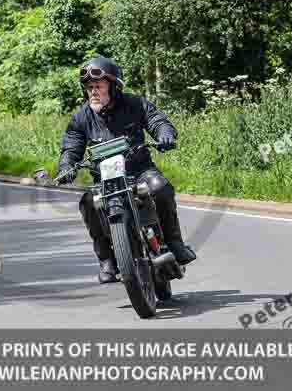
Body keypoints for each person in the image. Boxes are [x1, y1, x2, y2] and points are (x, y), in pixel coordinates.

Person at [56, 56, 197, 284]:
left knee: (160, 188)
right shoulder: (81, 117)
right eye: (89, 87)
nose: (93, 91)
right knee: (88, 202)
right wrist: (66, 167)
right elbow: (71, 147)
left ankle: (174, 243)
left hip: (139, 170)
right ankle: (107, 260)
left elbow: (156, 120)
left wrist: (165, 134)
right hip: (105, 178)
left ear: (113, 87)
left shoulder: (135, 104)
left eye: (98, 86)